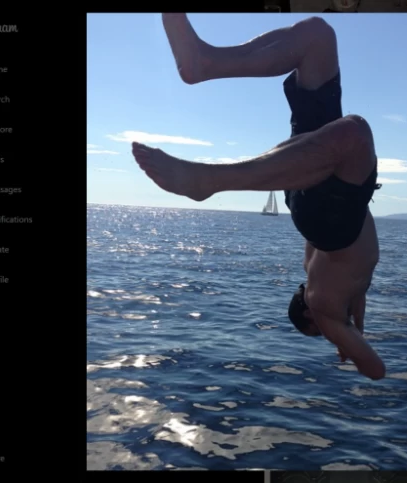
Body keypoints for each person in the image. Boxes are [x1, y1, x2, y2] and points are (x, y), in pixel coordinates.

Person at [132, 14, 386, 380]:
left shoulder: (325, 308)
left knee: (356, 133)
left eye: (319, 332)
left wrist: (343, 339)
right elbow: (360, 311)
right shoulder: (343, 294)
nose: (328, 333)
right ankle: (205, 65)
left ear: (309, 316)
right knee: (318, 37)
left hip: (330, 217)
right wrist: (354, 331)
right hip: (324, 205)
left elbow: (374, 370)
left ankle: (208, 177)